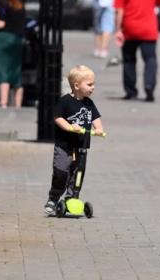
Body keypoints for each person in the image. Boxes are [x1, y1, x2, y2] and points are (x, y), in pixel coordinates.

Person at [44, 65, 105, 215]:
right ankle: (53, 198)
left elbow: (95, 118)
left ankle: (72, 197)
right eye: (89, 84)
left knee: (78, 173)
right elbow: (58, 118)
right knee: (61, 172)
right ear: (77, 85)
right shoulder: (65, 101)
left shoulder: (89, 104)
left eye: (93, 84)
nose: (93, 88)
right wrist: (70, 127)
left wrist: (98, 129)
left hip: (81, 146)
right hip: (65, 146)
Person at [113, 0, 160, 102]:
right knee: (150, 59)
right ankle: (149, 85)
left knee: (129, 60)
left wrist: (118, 30)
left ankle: (131, 91)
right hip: (149, 29)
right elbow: (159, 2)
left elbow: (119, 11)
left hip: (129, 29)